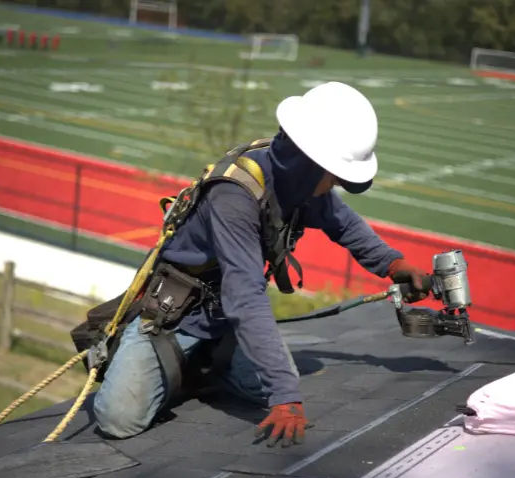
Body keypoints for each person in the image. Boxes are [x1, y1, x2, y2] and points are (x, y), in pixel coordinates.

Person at [93, 81, 429, 447]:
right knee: (119, 420)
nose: (335, 184)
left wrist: (393, 264)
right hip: (172, 318)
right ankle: (186, 362)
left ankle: (206, 362)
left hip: (224, 319)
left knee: (267, 381)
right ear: (308, 163)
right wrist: (285, 395)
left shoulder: (297, 183)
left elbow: (342, 223)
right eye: (333, 173)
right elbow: (246, 297)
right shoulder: (234, 196)